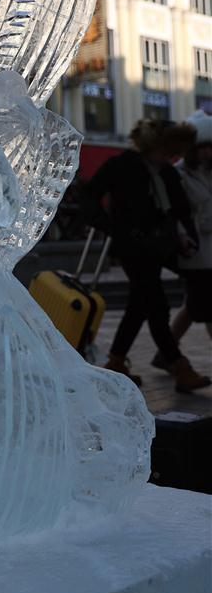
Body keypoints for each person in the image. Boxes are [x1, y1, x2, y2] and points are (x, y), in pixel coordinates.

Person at [80, 118, 211, 392]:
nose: (170, 156)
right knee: (156, 304)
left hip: (157, 248)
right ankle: (179, 366)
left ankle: (116, 362)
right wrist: (111, 227)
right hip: (133, 247)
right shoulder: (122, 166)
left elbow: (177, 211)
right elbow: (89, 196)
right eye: (166, 150)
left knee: (141, 304)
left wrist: (183, 237)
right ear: (152, 146)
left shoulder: (165, 173)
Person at [158, 111, 212, 358]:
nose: (206, 153)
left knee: (196, 304)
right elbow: (178, 212)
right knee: (199, 304)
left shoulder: (207, 172)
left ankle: (166, 353)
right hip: (195, 248)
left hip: (208, 247)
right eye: (202, 148)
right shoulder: (179, 174)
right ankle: (167, 353)